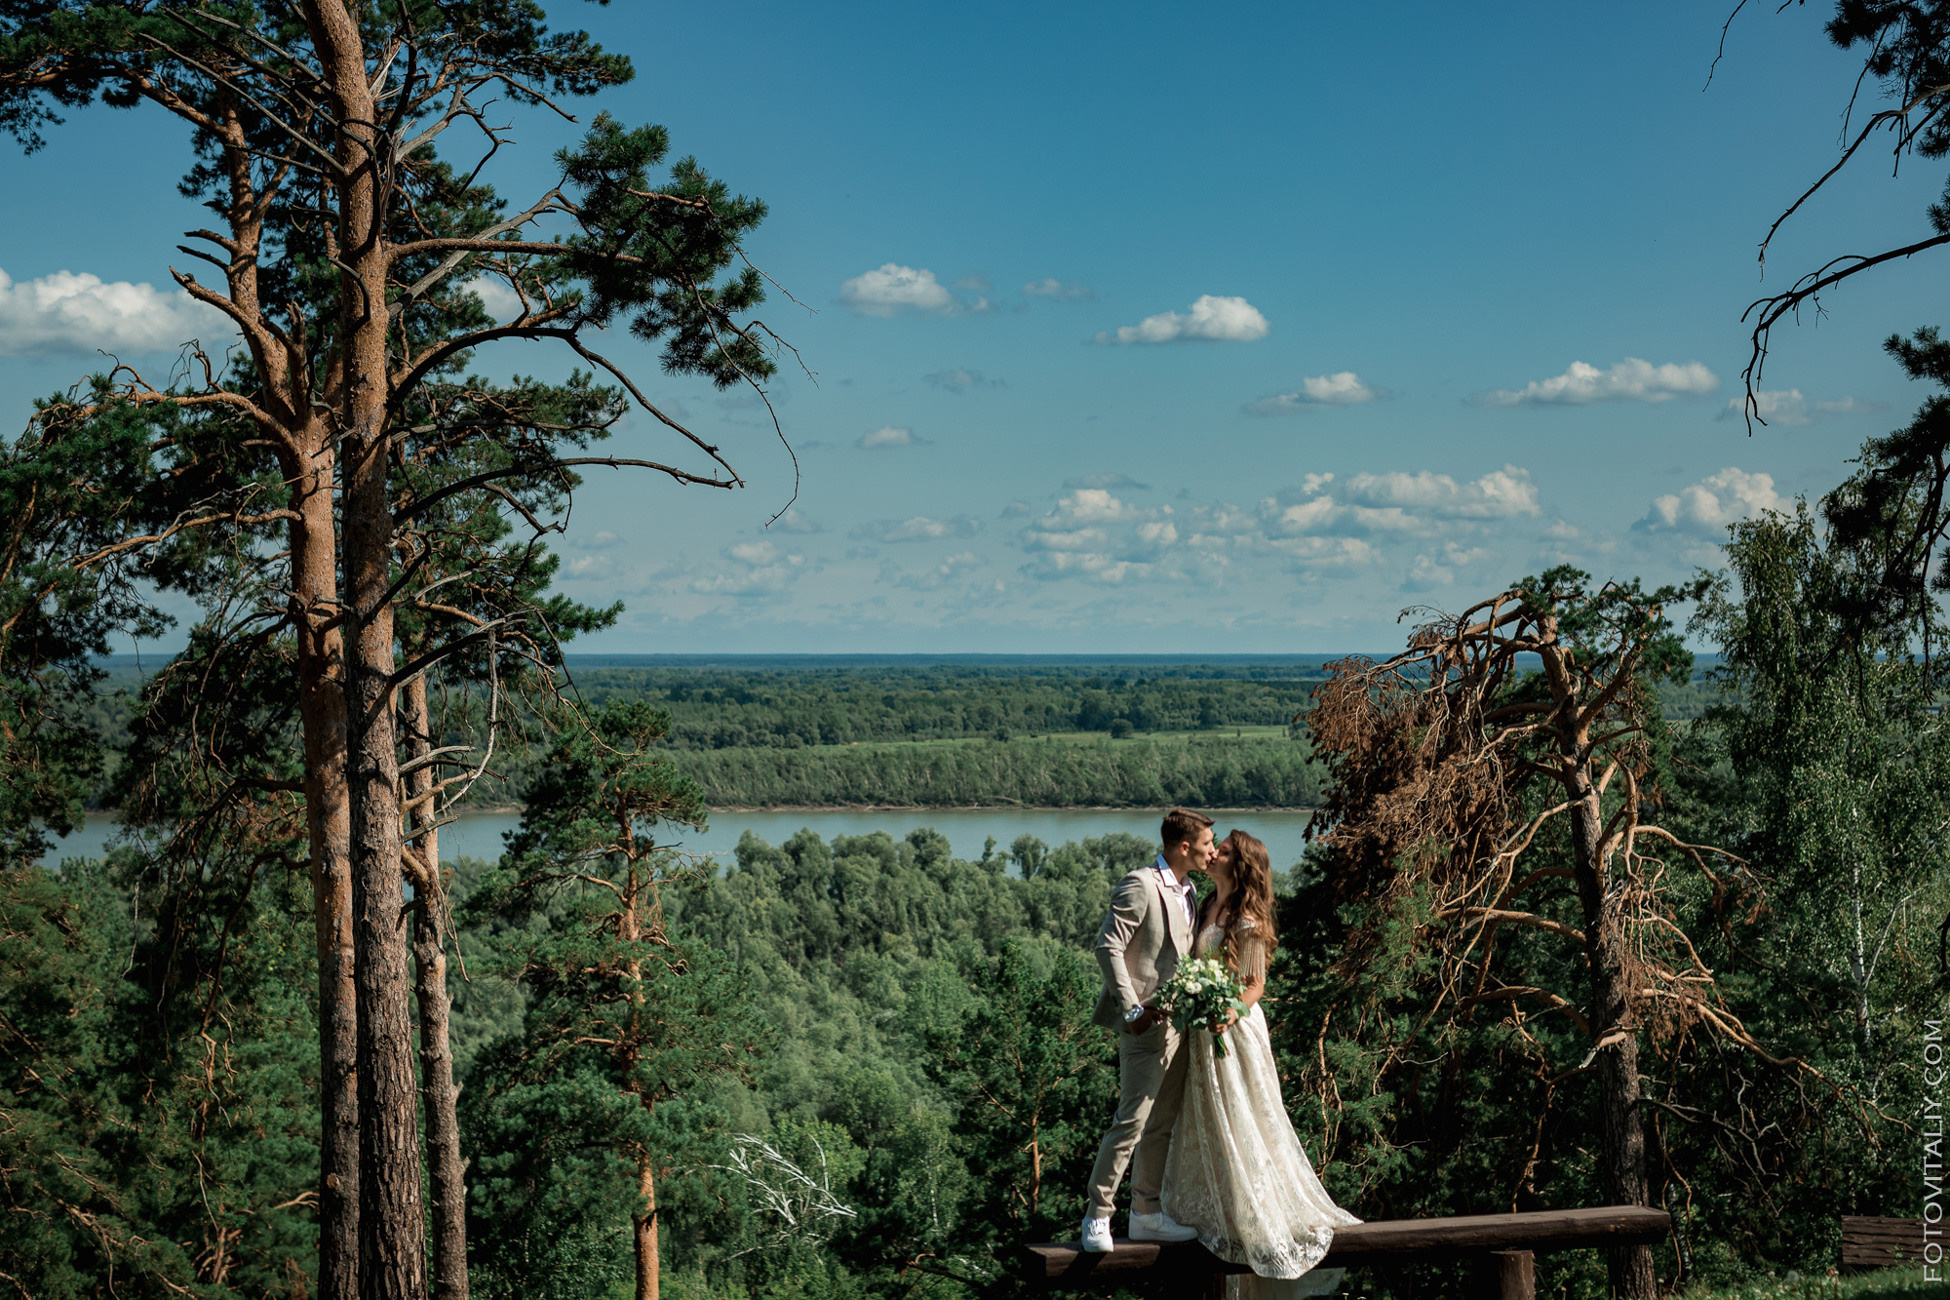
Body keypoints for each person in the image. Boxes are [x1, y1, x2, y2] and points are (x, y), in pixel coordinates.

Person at [1160, 829, 1360, 1299]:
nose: (1214, 854)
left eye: (1223, 850)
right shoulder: (1206, 905)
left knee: (1244, 1121)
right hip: (1203, 1029)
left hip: (1234, 1030)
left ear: (1240, 864)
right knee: (1207, 1122)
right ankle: (1219, 1214)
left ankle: (1257, 1220)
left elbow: (1253, 986)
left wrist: (1225, 1013)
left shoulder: (1246, 917)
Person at [1079, 807, 1217, 1252]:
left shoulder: (1190, 890)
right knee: (1131, 1122)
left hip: (1180, 1026)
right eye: (1205, 845)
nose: (1210, 852)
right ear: (1183, 846)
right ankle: (1097, 1217)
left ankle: (1145, 1214)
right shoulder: (1141, 884)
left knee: (1162, 1124)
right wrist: (1133, 1010)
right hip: (1144, 1027)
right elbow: (1108, 946)